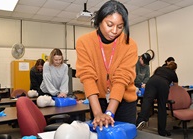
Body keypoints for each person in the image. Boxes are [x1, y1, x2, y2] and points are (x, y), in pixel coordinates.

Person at [76, 0, 138, 131]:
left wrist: (109, 113)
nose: (114, 31)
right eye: (109, 24)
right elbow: (87, 77)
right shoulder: (84, 42)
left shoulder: (129, 44)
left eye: (120, 27)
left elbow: (122, 79)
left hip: (124, 102)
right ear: (99, 21)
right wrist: (98, 113)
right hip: (98, 101)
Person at [136, 62, 178, 137]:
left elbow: (155, 76)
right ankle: (162, 131)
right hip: (163, 84)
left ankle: (139, 122)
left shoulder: (160, 68)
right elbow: (175, 86)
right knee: (162, 107)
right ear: (174, 69)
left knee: (147, 102)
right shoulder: (173, 73)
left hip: (151, 81)